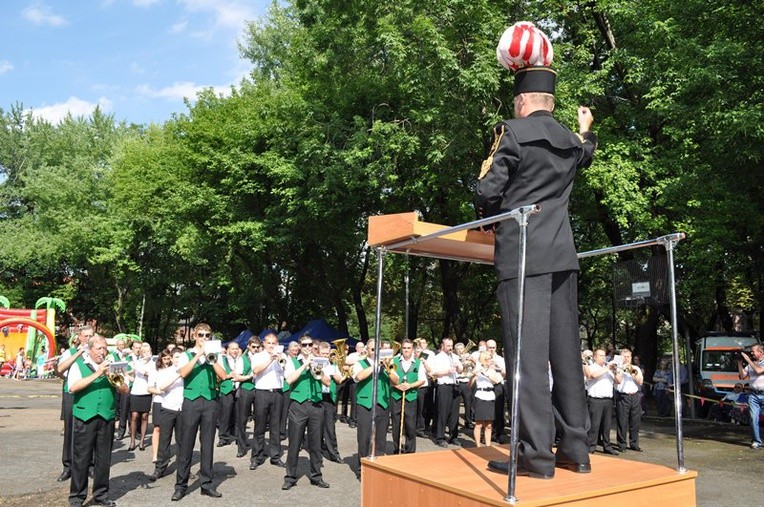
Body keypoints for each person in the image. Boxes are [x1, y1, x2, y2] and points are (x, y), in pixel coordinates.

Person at [477, 21, 597, 479]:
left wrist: (486, 203)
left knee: (525, 358)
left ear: (523, 102)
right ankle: (575, 452)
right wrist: (587, 129)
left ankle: (535, 456)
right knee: (566, 355)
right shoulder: (570, 141)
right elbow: (585, 151)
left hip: (522, 256)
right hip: (562, 259)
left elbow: (488, 192)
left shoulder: (512, 131)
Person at [67, 334, 129, 507]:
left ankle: (101, 494)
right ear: (90, 349)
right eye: (99, 348)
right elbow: (73, 387)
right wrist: (99, 373)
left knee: (104, 458)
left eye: (104, 348)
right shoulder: (79, 364)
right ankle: (77, 497)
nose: (103, 352)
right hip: (84, 416)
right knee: (81, 459)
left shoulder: (113, 365)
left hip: (106, 417)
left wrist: (115, 378)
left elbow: (124, 390)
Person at [171, 323, 227, 501]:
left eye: (207, 335)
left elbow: (223, 376)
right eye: (201, 335)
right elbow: (184, 373)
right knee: (186, 444)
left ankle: (206, 484)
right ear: (195, 336)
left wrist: (213, 358)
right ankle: (181, 486)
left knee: (208, 443)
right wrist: (198, 355)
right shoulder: (186, 354)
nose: (204, 338)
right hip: (191, 402)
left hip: (210, 401)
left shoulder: (215, 355)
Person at [282, 335, 330, 490]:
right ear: (300, 346)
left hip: (316, 405)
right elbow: (289, 380)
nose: (308, 348)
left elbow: (328, 382)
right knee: (294, 442)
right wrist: (304, 366)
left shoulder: (320, 360)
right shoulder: (292, 361)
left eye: (311, 345)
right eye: (305, 345)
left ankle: (316, 476)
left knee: (316, 443)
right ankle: (290, 477)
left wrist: (317, 368)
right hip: (298, 406)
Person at [56, 326, 95, 482]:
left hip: (89, 394)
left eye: (90, 336)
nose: (88, 338)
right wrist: (79, 352)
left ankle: (90, 465)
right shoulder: (69, 352)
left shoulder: (96, 353)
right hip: (71, 394)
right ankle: (68, 466)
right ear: (79, 337)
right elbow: (59, 371)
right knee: (70, 431)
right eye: (85, 336)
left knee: (91, 429)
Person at [354, 338, 398, 462]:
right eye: (373, 349)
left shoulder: (387, 364)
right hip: (365, 404)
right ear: (367, 351)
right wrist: (375, 365)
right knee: (364, 438)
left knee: (380, 438)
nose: (376, 352)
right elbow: (359, 376)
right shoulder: (360, 363)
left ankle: (377, 465)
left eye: (378, 349)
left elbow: (396, 381)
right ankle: (361, 467)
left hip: (382, 404)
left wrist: (388, 370)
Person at [250, 332, 285, 469]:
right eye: (269, 343)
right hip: (262, 392)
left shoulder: (282, 356)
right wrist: (271, 359)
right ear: (264, 343)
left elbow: (286, 372)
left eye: (274, 343)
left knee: (276, 426)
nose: (271, 346)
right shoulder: (258, 356)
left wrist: (281, 360)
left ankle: (275, 456)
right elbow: (256, 370)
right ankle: (256, 456)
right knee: (260, 426)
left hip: (277, 392)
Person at [147, 349, 184, 482]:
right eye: (176, 357)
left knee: (182, 441)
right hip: (168, 408)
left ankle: (183, 468)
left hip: (183, 409)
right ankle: (160, 468)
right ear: (172, 358)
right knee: (164, 439)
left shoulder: (188, 371)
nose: (178, 360)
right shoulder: (165, 372)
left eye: (181, 357)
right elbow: (162, 387)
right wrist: (178, 375)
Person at [390, 339, 425, 454]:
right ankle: (397, 448)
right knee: (396, 424)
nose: (406, 350)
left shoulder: (418, 363)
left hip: (411, 397)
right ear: (402, 349)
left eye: (408, 348)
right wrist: (397, 386)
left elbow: (421, 380)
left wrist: (410, 385)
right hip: (396, 396)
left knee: (410, 425)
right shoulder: (393, 360)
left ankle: (410, 451)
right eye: (404, 348)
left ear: (412, 350)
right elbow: (389, 377)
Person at [585, 349, 622, 455]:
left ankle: (607, 446)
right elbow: (592, 376)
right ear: (595, 357)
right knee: (594, 425)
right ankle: (591, 446)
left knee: (607, 425)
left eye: (604, 356)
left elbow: (618, 381)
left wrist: (616, 371)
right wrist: (607, 368)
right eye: (601, 355)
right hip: (596, 400)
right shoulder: (592, 366)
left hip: (608, 400)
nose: (603, 357)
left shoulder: (609, 369)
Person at [429, 337, 463, 447]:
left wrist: (458, 367)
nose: (450, 348)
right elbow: (434, 373)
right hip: (444, 386)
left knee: (454, 414)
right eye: (448, 346)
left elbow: (461, 370)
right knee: (442, 412)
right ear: (442, 346)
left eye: (451, 346)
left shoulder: (454, 356)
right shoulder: (438, 358)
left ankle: (453, 436)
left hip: (455, 385)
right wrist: (447, 371)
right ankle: (440, 437)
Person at [470, 351, 503, 446]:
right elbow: (470, 384)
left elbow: (497, 381)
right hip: (480, 395)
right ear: (484, 360)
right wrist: (473, 375)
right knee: (479, 423)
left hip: (490, 396)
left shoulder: (491, 370)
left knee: (489, 424)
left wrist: (487, 374)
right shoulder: (478, 369)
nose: (491, 361)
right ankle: (478, 446)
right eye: (489, 359)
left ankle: (488, 446)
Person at [234, 336, 259, 457]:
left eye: (258, 347)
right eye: (253, 347)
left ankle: (258, 447)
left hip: (259, 389)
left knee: (260, 420)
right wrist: (250, 376)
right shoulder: (241, 359)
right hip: (246, 389)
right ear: (248, 346)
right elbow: (237, 377)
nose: (256, 349)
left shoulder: (261, 357)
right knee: (242, 419)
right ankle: (241, 447)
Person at [318, 341, 344, 462]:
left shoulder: (333, 365)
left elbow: (339, 380)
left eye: (326, 353)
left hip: (328, 397)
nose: (324, 355)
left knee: (330, 426)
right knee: (316, 426)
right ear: (318, 352)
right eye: (322, 353)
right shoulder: (314, 363)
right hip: (316, 396)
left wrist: (334, 374)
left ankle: (334, 453)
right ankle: (317, 451)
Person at [615, 349, 644, 452]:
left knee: (635, 421)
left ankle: (634, 443)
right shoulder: (617, 368)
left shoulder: (635, 368)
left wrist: (631, 370)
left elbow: (640, 381)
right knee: (622, 421)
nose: (626, 359)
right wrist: (622, 369)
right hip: (623, 396)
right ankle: (622, 444)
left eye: (628, 357)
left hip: (635, 396)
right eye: (624, 356)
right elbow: (617, 381)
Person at [148, 349, 173, 463]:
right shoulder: (155, 371)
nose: (166, 361)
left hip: (171, 402)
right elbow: (149, 388)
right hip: (159, 400)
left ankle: (165, 452)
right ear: (160, 359)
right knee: (157, 428)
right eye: (164, 359)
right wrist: (160, 391)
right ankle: (155, 454)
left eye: (168, 359)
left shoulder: (174, 370)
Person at [129, 342, 155, 452]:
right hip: (136, 390)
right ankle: (132, 440)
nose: (146, 354)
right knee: (134, 416)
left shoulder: (153, 363)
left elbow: (150, 374)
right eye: (144, 352)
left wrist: (139, 368)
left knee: (144, 416)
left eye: (147, 352)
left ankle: (142, 441)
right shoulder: (136, 362)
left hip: (146, 391)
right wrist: (125, 372)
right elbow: (133, 376)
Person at [738, 344, 764, 449]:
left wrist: (747, 359)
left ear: (761, 352)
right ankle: (756, 441)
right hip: (753, 394)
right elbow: (742, 376)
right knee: (753, 418)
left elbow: (759, 371)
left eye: (753, 351)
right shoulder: (751, 364)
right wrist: (739, 363)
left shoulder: (754, 363)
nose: (751, 353)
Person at [216, 341, 240, 448]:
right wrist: (228, 375)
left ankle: (237, 435)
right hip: (226, 389)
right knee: (225, 414)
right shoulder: (222, 359)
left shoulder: (241, 360)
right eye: (233, 349)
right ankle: (223, 437)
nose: (235, 351)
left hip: (239, 389)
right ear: (228, 350)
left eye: (236, 349)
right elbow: (219, 373)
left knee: (238, 414)